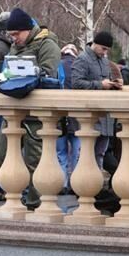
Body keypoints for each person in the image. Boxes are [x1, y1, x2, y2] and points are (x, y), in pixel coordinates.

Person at [0, 8, 61, 208]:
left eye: (17, 34)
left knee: (35, 161)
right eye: (11, 35)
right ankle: (14, 197)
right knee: (1, 157)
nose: (14, 39)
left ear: (28, 29)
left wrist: (31, 73)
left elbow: (49, 75)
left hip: (36, 113)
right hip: (14, 109)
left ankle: (35, 203)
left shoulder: (47, 44)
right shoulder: (16, 45)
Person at [71, 30, 121, 168]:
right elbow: (75, 83)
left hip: (105, 116)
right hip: (89, 115)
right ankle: (82, 186)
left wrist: (114, 84)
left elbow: (107, 81)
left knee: (100, 154)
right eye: (103, 48)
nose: (105, 52)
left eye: (107, 50)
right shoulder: (82, 59)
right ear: (95, 44)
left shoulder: (105, 61)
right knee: (85, 154)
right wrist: (100, 84)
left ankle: (96, 186)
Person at [56, 44, 80, 194]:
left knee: (61, 154)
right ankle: (76, 184)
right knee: (77, 154)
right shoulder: (80, 66)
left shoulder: (57, 65)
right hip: (77, 118)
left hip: (59, 117)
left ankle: (63, 184)